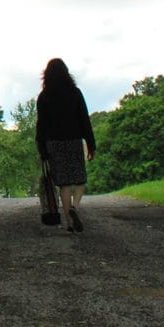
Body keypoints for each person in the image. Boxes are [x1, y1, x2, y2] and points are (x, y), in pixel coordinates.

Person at [35, 58, 96, 233]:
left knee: (64, 184)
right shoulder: (75, 93)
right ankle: (75, 207)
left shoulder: (44, 96)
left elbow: (41, 126)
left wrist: (42, 150)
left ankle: (69, 222)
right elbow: (84, 119)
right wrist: (91, 145)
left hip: (54, 144)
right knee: (80, 179)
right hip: (73, 141)